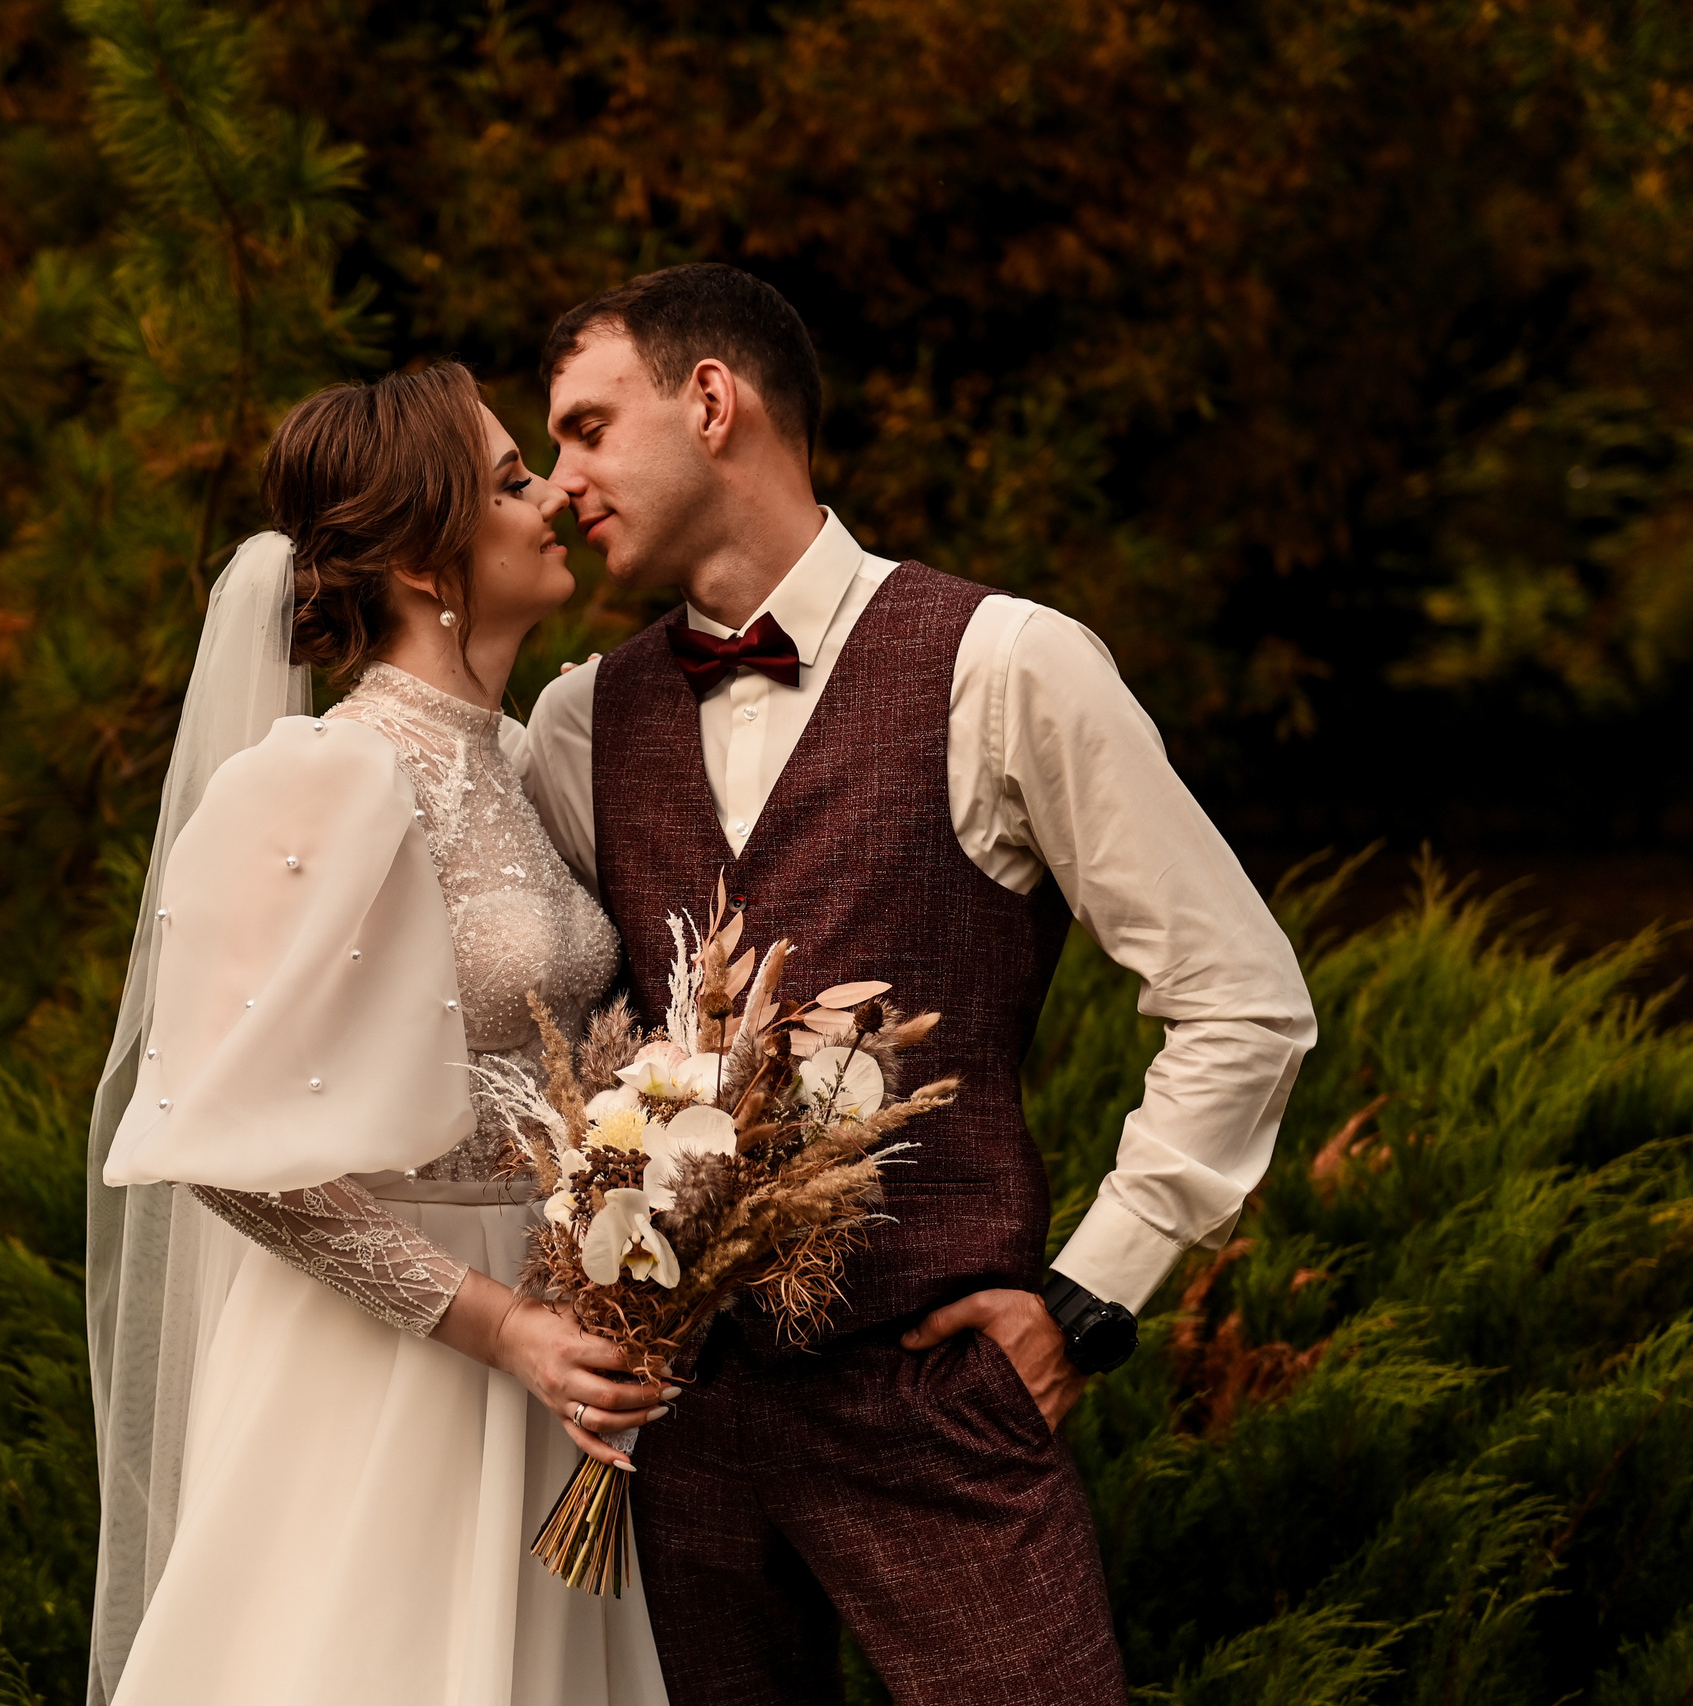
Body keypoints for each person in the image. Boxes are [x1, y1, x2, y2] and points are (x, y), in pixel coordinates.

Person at [520, 264, 1319, 1706]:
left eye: (587, 427)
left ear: (712, 402)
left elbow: (1242, 999)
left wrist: (1088, 1297)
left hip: (936, 1408)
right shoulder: (581, 722)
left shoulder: (1007, 666)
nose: (561, 481)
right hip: (677, 1436)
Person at [85, 363, 674, 1706]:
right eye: (513, 480)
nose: (554, 499)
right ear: (421, 559)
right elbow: (221, 1154)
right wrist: (498, 1328)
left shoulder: (517, 763)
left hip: (554, 1338)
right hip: (392, 1353)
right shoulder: (325, 774)